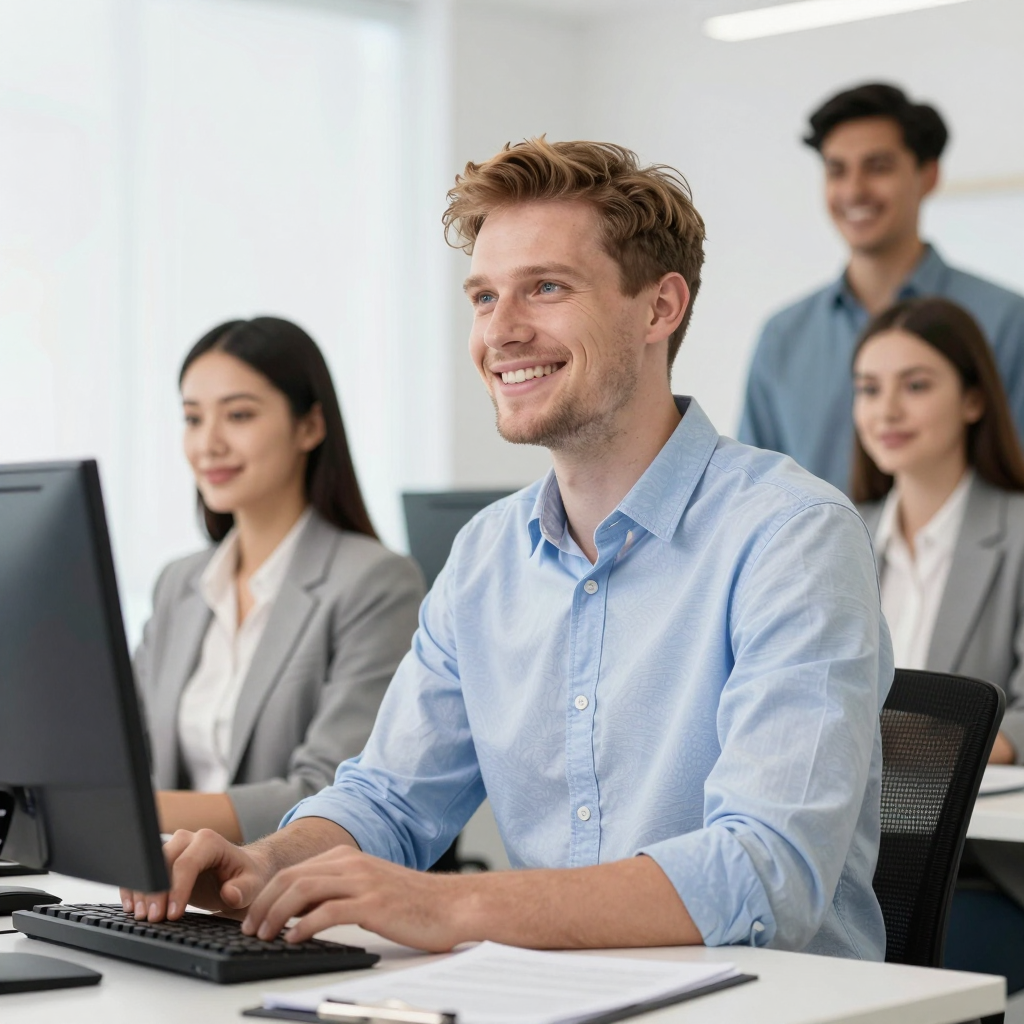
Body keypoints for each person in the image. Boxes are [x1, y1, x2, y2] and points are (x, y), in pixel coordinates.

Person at [124, 139, 892, 960]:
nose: (502, 331)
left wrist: (452, 906)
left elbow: (765, 869)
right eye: (484, 297)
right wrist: (259, 866)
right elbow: (388, 802)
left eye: (547, 289)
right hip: (545, 998)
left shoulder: (791, 535)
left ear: (660, 309)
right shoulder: (487, 555)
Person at [133, 317, 424, 844]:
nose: (208, 444)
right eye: (193, 418)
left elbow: (331, 795)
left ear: (309, 427)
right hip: (167, 892)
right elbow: (125, 755)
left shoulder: (375, 583)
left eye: (239, 415)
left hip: (285, 894)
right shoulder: (179, 585)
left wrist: (133, 813)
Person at [851, 296, 1024, 989]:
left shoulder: (1016, 534)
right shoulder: (832, 535)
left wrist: (921, 744)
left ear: (975, 400)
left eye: (915, 385)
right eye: (869, 389)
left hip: (985, 875)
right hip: (848, 864)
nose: (886, 410)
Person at [739, 82, 1024, 493]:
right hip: (814, 558)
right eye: (837, 170)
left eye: (878, 167)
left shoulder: (1006, 320)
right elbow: (753, 491)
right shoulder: (783, 337)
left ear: (927, 176)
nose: (855, 190)